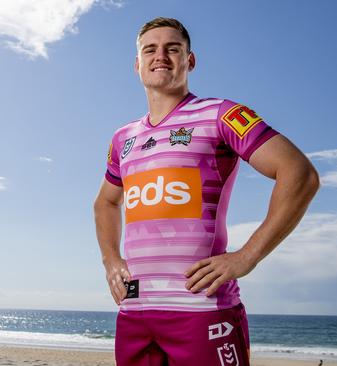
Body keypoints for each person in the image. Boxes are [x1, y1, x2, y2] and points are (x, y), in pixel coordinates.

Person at [93, 17, 319, 366]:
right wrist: (111, 261)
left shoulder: (221, 115)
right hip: (135, 312)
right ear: (137, 64)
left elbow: (299, 173)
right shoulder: (123, 138)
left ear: (190, 60)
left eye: (173, 48)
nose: (161, 56)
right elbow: (106, 202)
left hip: (202, 310)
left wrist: (247, 256)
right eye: (149, 50)